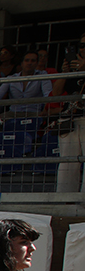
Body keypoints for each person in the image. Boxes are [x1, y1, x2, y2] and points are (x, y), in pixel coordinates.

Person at [54, 34, 85, 193]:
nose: (83, 49)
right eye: (81, 46)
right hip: (70, 119)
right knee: (67, 163)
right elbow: (57, 93)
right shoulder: (73, 65)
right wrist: (65, 72)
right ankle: (64, 202)